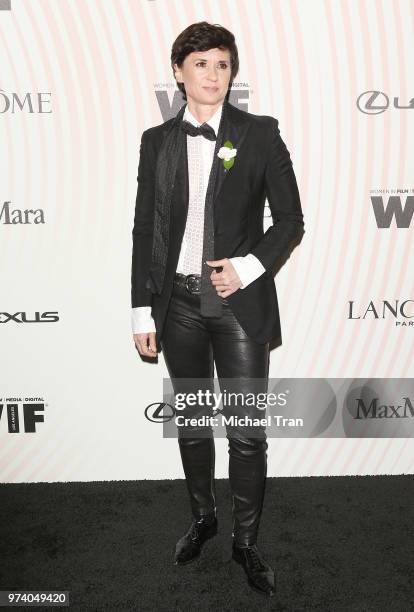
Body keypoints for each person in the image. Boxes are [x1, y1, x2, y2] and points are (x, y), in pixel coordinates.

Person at [131, 21, 304, 597]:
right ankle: (204, 518)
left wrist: (247, 267)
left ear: (233, 73)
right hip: (176, 303)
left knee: (248, 432)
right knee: (194, 423)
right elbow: (144, 232)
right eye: (202, 63)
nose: (214, 74)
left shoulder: (259, 133)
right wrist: (141, 311)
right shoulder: (156, 142)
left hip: (237, 305)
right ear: (179, 72)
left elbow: (291, 221)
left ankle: (246, 543)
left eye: (223, 64)